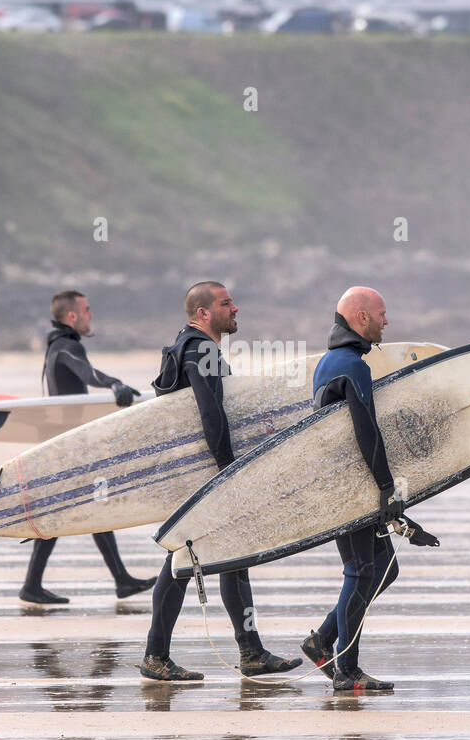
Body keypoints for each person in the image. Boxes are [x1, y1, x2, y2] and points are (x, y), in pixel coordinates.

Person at [139, 281, 303, 681]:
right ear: (202, 313)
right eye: (226, 303)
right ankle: (156, 656)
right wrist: (229, 469)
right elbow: (211, 414)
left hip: (192, 472)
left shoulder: (183, 346)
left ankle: (251, 651)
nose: (235, 308)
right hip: (208, 473)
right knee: (181, 560)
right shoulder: (202, 350)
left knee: (231, 557)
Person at [300, 287, 417, 692]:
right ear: (361, 317)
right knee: (361, 570)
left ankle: (322, 639)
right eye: (382, 314)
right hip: (346, 491)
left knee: (384, 567)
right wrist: (388, 488)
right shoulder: (350, 364)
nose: (387, 321)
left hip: (346, 486)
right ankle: (346, 671)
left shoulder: (333, 361)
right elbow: (367, 430)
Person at [19, 290, 155, 604]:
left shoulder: (57, 345)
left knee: (89, 509)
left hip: (69, 444)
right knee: (75, 511)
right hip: (69, 448)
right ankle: (34, 585)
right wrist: (114, 383)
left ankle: (118, 580)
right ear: (72, 316)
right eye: (87, 310)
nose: (91, 315)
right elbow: (87, 374)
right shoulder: (65, 346)